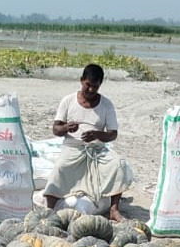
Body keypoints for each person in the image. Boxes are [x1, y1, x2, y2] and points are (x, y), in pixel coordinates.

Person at [42, 64, 133, 221]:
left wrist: (97, 135)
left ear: (100, 85)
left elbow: (113, 134)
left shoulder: (106, 105)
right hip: (73, 147)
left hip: (97, 149)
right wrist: (66, 127)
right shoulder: (68, 101)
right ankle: (49, 209)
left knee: (119, 165)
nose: (91, 90)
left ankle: (114, 210)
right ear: (82, 80)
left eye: (95, 87)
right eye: (88, 85)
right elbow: (56, 129)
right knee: (60, 167)